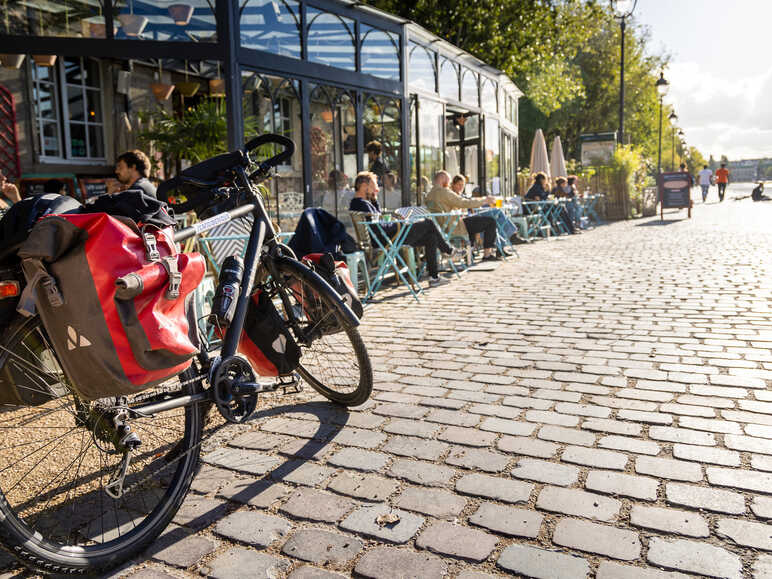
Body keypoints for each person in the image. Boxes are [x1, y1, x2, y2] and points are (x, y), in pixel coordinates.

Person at [349, 171, 454, 287]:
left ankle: (434, 277)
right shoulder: (361, 204)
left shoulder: (362, 203)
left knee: (431, 237)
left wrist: (375, 200)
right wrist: (401, 224)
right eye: (374, 186)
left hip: (388, 238)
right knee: (428, 223)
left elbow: (379, 223)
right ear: (364, 186)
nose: (377, 189)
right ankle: (449, 251)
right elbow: (380, 228)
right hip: (387, 240)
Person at [425, 171, 500, 262]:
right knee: (490, 222)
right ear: (442, 179)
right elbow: (463, 202)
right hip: (453, 227)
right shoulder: (444, 192)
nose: (449, 184)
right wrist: (484, 200)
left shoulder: (429, 195)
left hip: (441, 228)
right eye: (448, 181)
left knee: (473, 222)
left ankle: (469, 254)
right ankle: (487, 255)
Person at [451, 174, 524, 245]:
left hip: (473, 214)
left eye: (462, 185)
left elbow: (471, 204)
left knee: (498, 219)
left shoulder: (463, 195)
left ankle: (502, 245)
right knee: (497, 212)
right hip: (468, 218)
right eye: (458, 184)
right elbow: (464, 206)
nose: (461, 187)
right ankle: (512, 236)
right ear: (453, 185)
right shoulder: (453, 196)